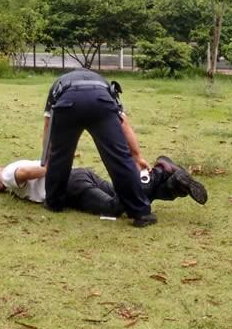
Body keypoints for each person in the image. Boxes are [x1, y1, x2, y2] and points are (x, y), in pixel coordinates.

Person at [41, 69, 157, 227]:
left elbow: (48, 127)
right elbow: (124, 124)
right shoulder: (104, 85)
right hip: (101, 102)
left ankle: (54, 203)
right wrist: (136, 156)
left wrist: (47, 157)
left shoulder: (57, 85)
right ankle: (141, 213)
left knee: (60, 156)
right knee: (119, 158)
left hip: (68, 103)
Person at [0, 155, 207, 217]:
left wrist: (56, 167)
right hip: (77, 175)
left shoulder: (8, 174)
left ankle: (155, 174)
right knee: (126, 196)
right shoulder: (10, 178)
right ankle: (172, 183)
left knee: (115, 208)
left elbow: (26, 173)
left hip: (68, 184)